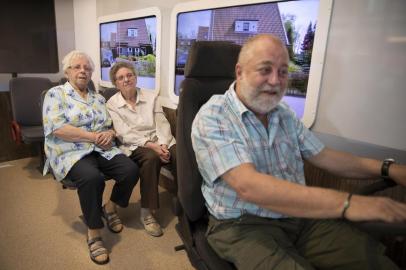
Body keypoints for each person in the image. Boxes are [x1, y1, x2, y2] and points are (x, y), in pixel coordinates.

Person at [191, 34, 406, 270]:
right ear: (240, 72)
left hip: (300, 217)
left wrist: (388, 168)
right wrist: (346, 203)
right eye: (265, 70)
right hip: (242, 225)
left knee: (378, 264)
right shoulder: (214, 115)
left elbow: (324, 156)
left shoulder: (283, 113)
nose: (275, 81)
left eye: (283, 72)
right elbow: (248, 185)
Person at [42, 50, 140, 265]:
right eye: (77, 67)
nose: (83, 71)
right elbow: (58, 128)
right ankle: (94, 233)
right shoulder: (55, 94)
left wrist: (110, 133)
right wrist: (93, 136)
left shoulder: (98, 98)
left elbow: (110, 125)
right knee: (92, 178)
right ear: (67, 71)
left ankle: (110, 207)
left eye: (87, 68)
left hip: (102, 148)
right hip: (70, 151)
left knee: (131, 170)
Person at [106, 61, 177, 237]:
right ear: (116, 83)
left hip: (159, 139)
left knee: (181, 156)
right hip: (133, 145)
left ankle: (186, 203)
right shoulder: (112, 104)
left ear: (136, 77)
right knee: (151, 158)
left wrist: (164, 145)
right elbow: (124, 133)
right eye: (121, 78)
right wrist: (152, 146)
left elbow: (162, 123)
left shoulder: (151, 97)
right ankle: (147, 213)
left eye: (129, 75)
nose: (126, 80)